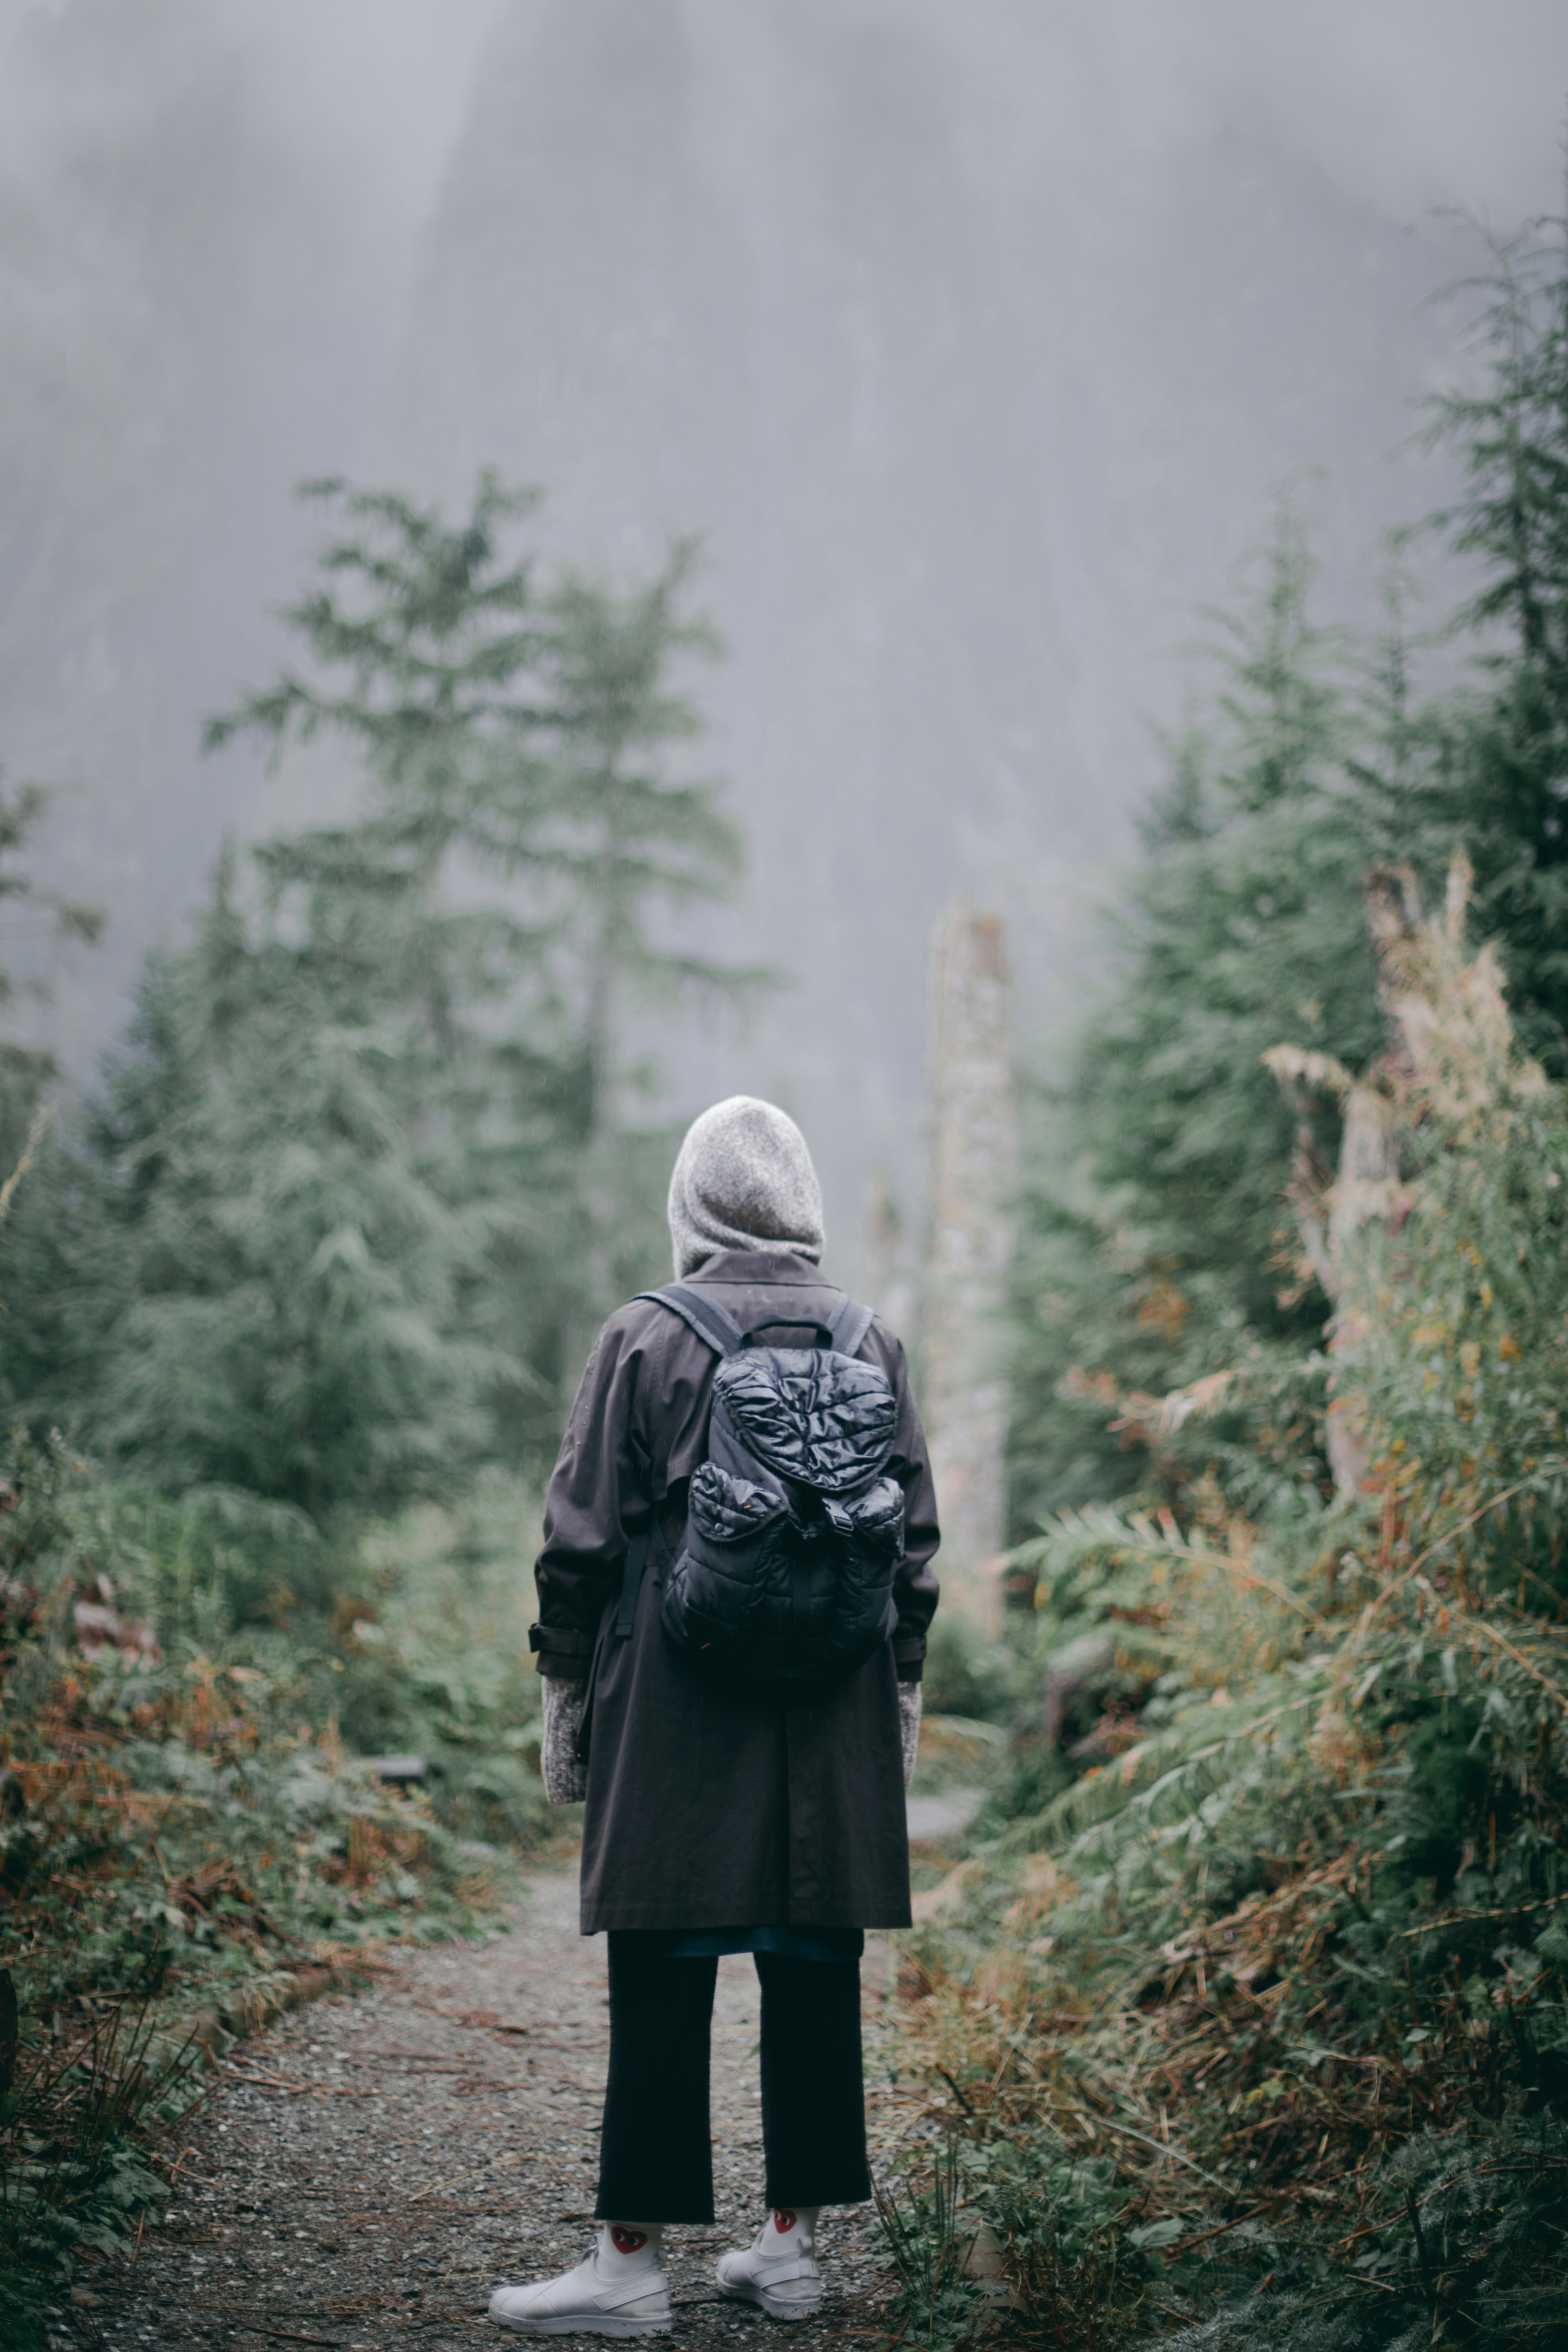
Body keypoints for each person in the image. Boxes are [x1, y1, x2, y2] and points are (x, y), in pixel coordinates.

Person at [488, 1095, 939, 2337]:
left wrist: (565, 1708)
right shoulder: (873, 1343)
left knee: (664, 1959)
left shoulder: (644, 1335)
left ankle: (630, 2269)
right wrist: (895, 1714)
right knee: (813, 1968)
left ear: (691, 1206)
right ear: (802, 1206)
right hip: (833, 1713)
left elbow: (576, 1540)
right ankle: (790, 2254)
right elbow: (914, 1554)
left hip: (673, 1704)